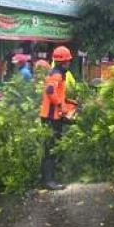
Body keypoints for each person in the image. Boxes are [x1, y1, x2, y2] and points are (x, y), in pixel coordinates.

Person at [39, 46, 76, 190]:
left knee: (53, 148)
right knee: (50, 149)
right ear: (64, 61)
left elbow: (58, 94)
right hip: (51, 117)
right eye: (68, 60)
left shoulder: (60, 73)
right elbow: (50, 92)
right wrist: (61, 106)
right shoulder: (56, 75)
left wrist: (70, 102)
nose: (69, 63)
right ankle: (48, 181)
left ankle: (50, 178)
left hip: (55, 117)